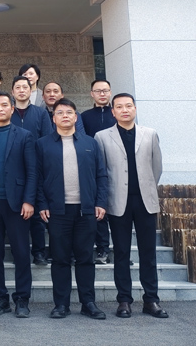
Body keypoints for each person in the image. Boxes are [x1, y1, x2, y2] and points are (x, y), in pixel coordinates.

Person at [95, 93, 168, 319]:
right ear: (113, 111)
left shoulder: (150, 134)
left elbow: (157, 167)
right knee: (122, 252)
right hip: (118, 201)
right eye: (119, 107)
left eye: (128, 106)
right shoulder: (102, 137)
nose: (124, 110)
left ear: (135, 109)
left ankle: (151, 300)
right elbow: (101, 171)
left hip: (145, 201)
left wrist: (147, 187)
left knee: (148, 253)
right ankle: (124, 300)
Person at [36, 98, 108, 320]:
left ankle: (88, 303)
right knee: (60, 259)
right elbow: (38, 177)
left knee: (86, 258)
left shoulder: (90, 143)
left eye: (69, 112)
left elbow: (101, 175)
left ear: (76, 117)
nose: (65, 116)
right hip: (58, 211)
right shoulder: (43, 144)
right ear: (53, 118)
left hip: (85, 210)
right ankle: (61, 304)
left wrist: (100, 202)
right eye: (60, 112)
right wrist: (42, 204)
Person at [0, 91, 36, 319]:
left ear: (12, 109)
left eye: (4, 105)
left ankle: (22, 299)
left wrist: (29, 200)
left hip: (18, 204)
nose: (0, 109)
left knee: (21, 253)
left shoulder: (25, 136)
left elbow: (32, 171)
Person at [11, 76, 53, 266]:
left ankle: (39, 252)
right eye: (18, 87)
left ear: (31, 91)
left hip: (35, 167)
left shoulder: (41, 113)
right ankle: (18, 252)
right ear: (12, 92)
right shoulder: (8, 111)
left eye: (25, 87)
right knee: (15, 212)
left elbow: (47, 139)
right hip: (12, 168)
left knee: (36, 213)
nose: (21, 90)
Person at [81, 79, 117, 265]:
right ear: (92, 94)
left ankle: (121, 251)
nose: (102, 94)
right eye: (98, 91)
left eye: (105, 90)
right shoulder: (85, 116)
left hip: (117, 167)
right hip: (93, 167)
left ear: (110, 92)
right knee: (99, 210)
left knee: (118, 213)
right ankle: (102, 249)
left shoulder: (117, 114)